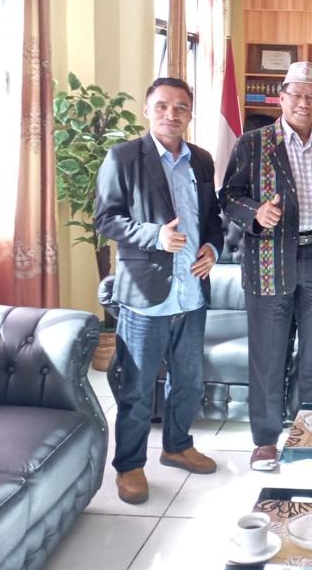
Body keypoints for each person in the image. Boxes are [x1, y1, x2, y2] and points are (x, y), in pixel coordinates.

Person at [94, 77, 224, 505]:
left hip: (192, 290)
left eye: (181, 107)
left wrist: (212, 248)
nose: (172, 114)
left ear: (190, 114)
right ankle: (130, 465)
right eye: (163, 106)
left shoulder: (201, 160)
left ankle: (177, 445)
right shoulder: (124, 157)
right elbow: (106, 219)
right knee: (137, 387)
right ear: (147, 110)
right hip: (147, 293)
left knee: (188, 380)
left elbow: (213, 218)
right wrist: (154, 236)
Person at [221, 61, 312, 472]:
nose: (303, 102)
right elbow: (229, 197)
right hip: (269, 261)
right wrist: (256, 213)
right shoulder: (253, 143)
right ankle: (265, 441)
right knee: (269, 356)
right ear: (281, 98)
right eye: (296, 94)